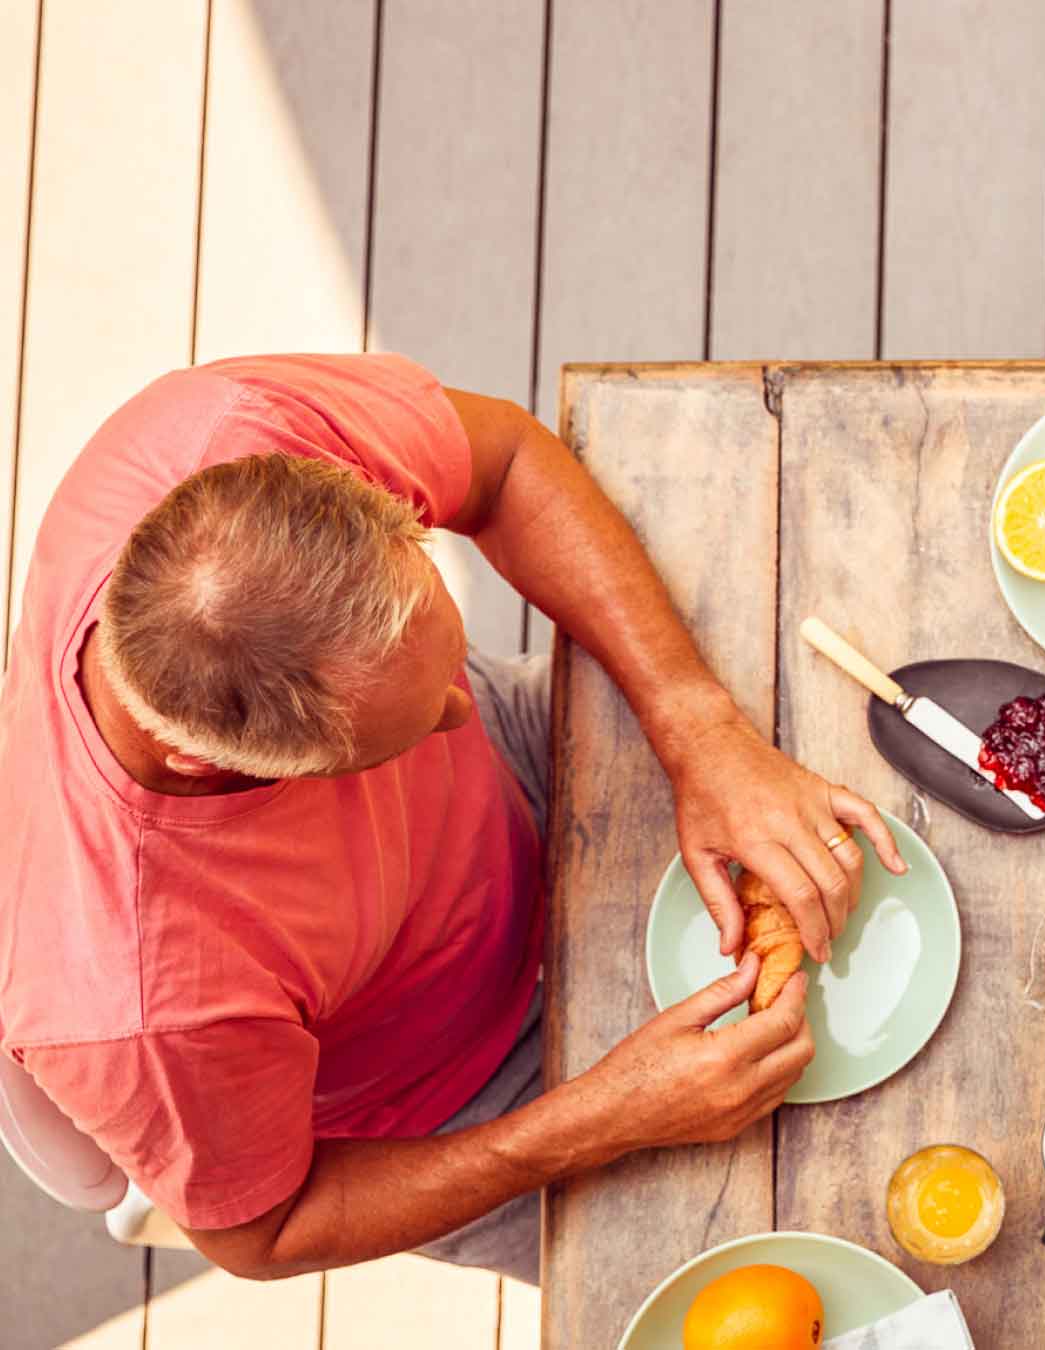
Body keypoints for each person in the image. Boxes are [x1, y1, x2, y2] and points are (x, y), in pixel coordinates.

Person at [0, 354, 905, 1284]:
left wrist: (696, 724)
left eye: (445, 664)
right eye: (409, 728)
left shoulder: (225, 436)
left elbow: (506, 465)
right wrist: (598, 1121)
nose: (458, 710)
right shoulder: (142, 1005)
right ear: (210, 762)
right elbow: (263, 1234)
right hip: (469, 1097)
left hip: (519, 786)